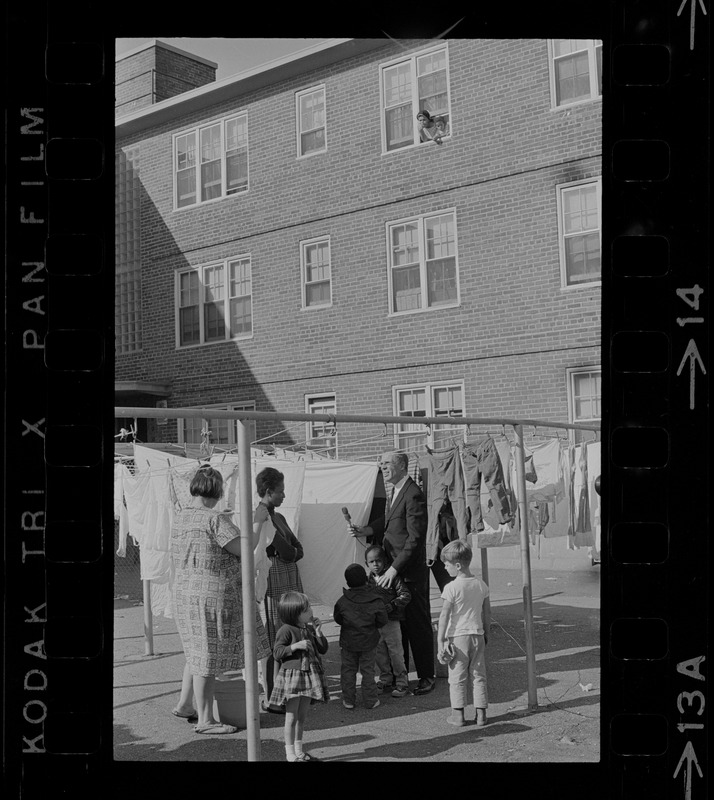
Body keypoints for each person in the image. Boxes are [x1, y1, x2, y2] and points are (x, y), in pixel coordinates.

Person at [170, 464, 271, 734]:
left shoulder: (181, 516)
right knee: (206, 657)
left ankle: (184, 705)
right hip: (209, 597)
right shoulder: (214, 519)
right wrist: (258, 520)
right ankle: (205, 720)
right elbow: (245, 549)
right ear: (215, 492)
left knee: (196, 650)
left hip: (184, 593)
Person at [349, 451, 436, 695]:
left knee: (418, 625)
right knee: (400, 626)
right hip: (395, 573)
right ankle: (402, 678)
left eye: (386, 463)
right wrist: (365, 529)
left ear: (400, 466)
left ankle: (427, 676)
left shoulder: (413, 494)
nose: (382, 467)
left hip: (409, 574)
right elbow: (388, 521)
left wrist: (394, 569)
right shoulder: (397, 492)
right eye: (382, 463)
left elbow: (416, 539)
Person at [255, 466, 304, 713]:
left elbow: (297, 548)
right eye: (281, 491)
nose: (284, 496)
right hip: (274, 579)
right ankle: (272, 697)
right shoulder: (262, 515)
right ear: (268, 491)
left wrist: (292, 552)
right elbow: (287, 550)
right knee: (276, 637)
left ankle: (284, 691)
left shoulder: (279, 517)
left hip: (285, 576)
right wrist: (291, 552)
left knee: (288, 632)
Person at [268, 591, 329, 762]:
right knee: (291, 716)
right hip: (293, 677)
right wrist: (294, 647)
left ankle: (299, 750)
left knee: (301, 717)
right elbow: (277, 652)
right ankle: (290, 753)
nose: (311, 611)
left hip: (309, 676)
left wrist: (318, 632)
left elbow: (323, 649)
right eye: (306, 609)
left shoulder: (308, 628)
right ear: (295, 613)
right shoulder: (286, 630)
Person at [436, 540, 490, 728]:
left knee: (457, 677)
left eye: (446, 564)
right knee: (478, 675)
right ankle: (481, 714)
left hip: (458, 637)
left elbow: (444, 615)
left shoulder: (451, 587)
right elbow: (486, 612)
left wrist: (440, 639)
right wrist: (486, 632)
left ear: (457, 566)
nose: (444, 566)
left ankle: (458, 715)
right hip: (478, 634)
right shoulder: (481, 585)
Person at [333, 563, 388, 710]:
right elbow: (382, 620)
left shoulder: (342, 601)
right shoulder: (375, 599)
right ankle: (370, 700)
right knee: (368, 671)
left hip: (348, 642)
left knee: (348, 671)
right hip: (369, 641)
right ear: (365, 579)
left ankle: (349, 700)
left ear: (347, 582)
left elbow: (338, 619)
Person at [365, 545, 411, 698]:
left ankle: (402, 682)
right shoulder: (367, 581)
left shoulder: (393, 578)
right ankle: (386, 679)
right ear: (367, 564)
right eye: (371, 562)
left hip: (392, 622)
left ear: (385, 561)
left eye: (378, 561)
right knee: (380, 654)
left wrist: (392, 605)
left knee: (396, 653)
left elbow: (405, 595)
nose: (375, 564)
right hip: (375, 624)